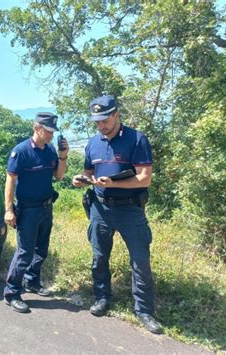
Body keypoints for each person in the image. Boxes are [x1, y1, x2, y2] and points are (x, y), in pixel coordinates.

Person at [72, 95, 163, 334]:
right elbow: (89, 171)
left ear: (116, 115)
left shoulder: (136, 139)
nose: (101, 125)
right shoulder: (93, 143)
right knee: (99, 255)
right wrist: (82, 180)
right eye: (97, 121)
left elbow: (145, 178)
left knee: (140, 260)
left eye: (105, 120)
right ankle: (102, 298)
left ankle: (144, 310)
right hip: (100, 207)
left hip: (130, 209)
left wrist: (113, 183)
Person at [3, 112, 69, 313]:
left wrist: (63, 155)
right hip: (28, 209)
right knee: (25, 251)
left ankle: (32, 281)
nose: (50, 135)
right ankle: (12, 292)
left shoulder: (49, 151)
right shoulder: (21, 151)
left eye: (52, 132)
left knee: (41, 249)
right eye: (48, 131)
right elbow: (10, 181)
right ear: (37, 128)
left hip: (46, 207)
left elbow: (58, 176)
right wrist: (8, 210)